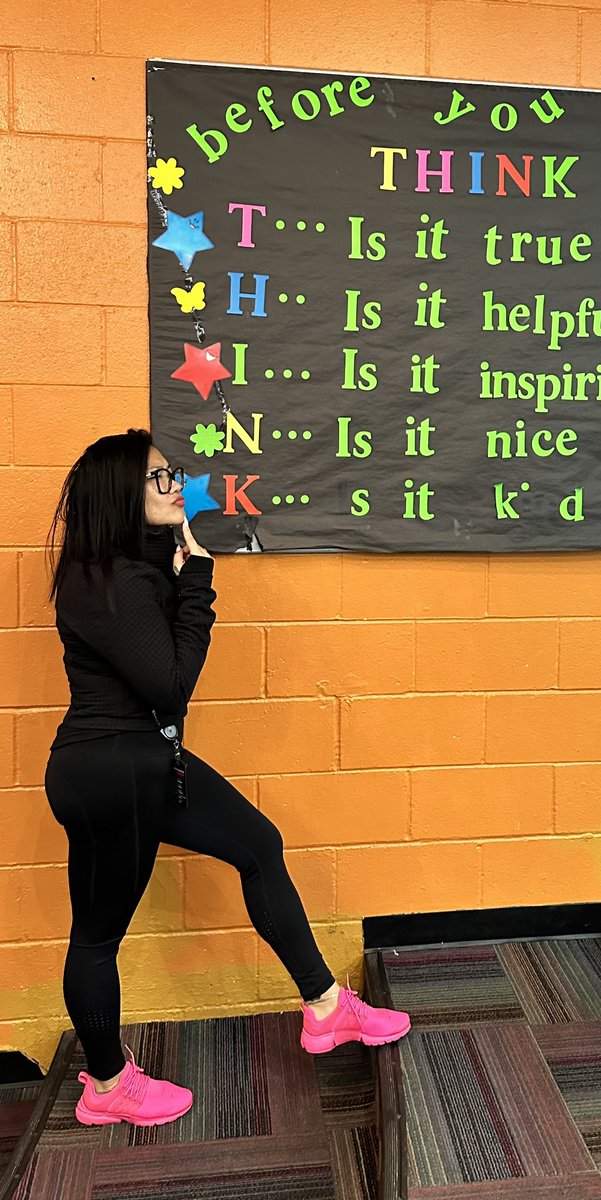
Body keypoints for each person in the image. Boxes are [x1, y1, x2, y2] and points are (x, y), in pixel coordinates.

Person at [43, 429, 410, 1129]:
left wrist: (181, 570)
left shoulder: (125, 570)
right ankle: (107, 1084)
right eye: (159, 479)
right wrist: (199, 582)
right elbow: (169, 687)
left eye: (170, 473)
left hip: (142, 766)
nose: (175, 484)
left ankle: (326, 1009)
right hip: (113, 773)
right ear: (124, 494)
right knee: (96, 938)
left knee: (257, 844)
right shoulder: (112, 583)